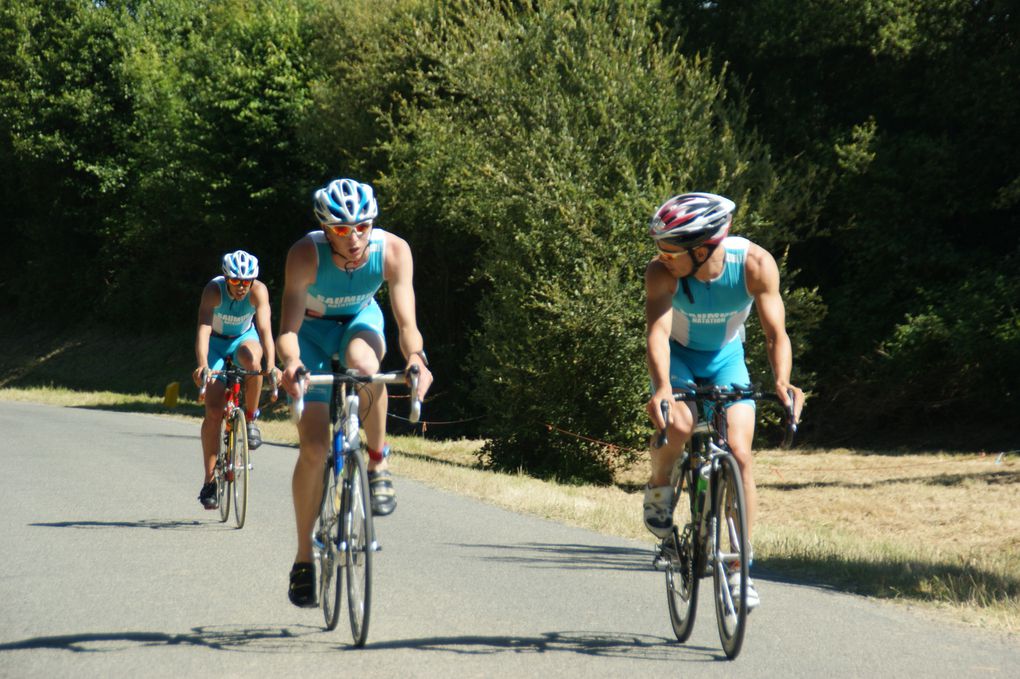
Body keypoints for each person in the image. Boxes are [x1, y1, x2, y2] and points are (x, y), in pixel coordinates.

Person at [642, 192, 804, 610]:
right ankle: (660, 485)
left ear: (702, 250)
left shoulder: (754, 264)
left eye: (668, 250)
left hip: (726, 359)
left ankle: (739, 567)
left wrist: (783, 381)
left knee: (740, 454)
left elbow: (775, 334)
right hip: (678, 356)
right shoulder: (662, 275)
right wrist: (662, 388)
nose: (660, 257)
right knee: (678, 424)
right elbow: (657, 334)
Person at [278, 177, 433, 607]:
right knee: (313, 448)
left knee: (367, 369)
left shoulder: (393, 251)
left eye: (362, 226)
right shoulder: (305, 255)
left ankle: (378, 462)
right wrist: (291, 365)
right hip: (308, 335)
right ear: (327, 230)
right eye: (343, 230)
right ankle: (304, 557)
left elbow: (406, 325)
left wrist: (417, 359)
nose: (354, 237)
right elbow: (287, 330)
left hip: (360, 324)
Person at [192, 250, 278, 510]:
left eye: (247, 281)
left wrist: (272, 366)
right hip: (217, 345)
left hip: (243, 339)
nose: (241, 287)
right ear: (226, 278)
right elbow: (204, 329)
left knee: (254, 362)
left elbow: (265, 330)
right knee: (214, 411)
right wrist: (203, 365)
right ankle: (210, 482)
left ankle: (251, 418)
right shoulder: (213, 291)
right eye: (235, 282)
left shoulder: (258, 291)